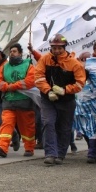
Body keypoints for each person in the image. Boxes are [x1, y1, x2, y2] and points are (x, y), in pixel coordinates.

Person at [35, 34, 86, 165]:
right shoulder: (45, 59)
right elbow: (39, 77)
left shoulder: (74, 63)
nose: (56, 50)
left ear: (64, 47)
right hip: (48, 99)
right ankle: (50, 153)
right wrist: (48, 91)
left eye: (59, 48)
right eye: (54, 48)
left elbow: (80, 83)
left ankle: (61, 154)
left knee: (64, 128)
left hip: (67, 101)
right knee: (48, 122)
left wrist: (65, 90)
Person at [0, 43, 37, 158]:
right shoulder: (4, 67)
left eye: (14, 51)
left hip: (24, 102)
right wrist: (7, 87)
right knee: (6, 124)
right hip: (9, 101)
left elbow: (30, 81)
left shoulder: (29, 65)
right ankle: (2, 147)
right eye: (11, 51)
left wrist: (12, 86)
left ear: (20, 53)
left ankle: (29, 148)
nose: (12, 53)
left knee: (27, 127)